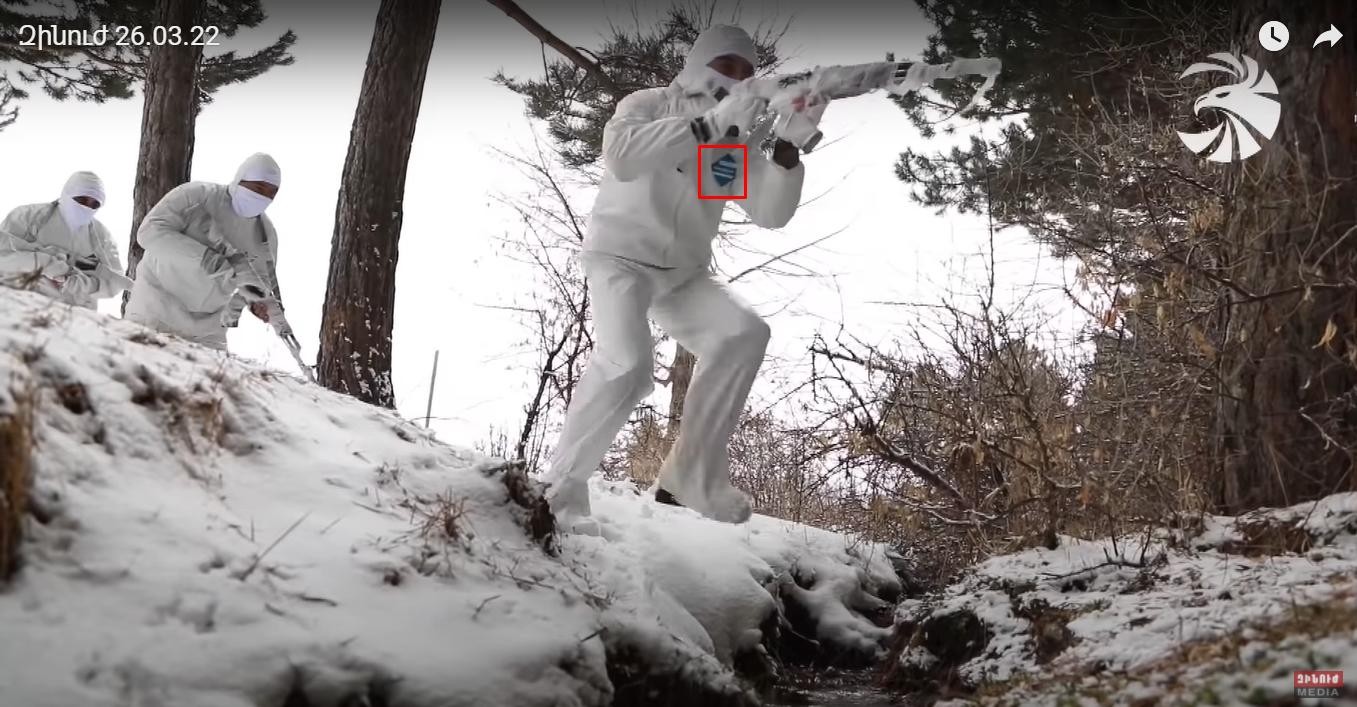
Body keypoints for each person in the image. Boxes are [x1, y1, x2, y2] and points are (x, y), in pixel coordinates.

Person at [541, 25, 827, 526]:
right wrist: (708, 124)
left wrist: (786, 149)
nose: (735, 77)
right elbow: (622, 157)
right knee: (628, 366)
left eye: (745, 70)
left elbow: (769, 212)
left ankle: (689, 474)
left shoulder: (733, 139)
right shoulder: (648, 104)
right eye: (725, 64)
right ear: (700, 63)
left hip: (683, 274)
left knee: (743, 334)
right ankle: (558, 490)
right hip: (620, 257)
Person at [124, 153, 288, 351]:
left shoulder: (265, 235)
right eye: (258, 188)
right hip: (154, 311)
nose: (263, 197)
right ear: (240, 179)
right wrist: (206, 258)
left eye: (271, 193)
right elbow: (148, 232)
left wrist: (257, 304)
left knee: (216, 372)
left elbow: (257, 282)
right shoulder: (197, 196)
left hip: (208, 331)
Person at [0, 171, 132, 309]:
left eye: (94, 204)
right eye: (82, 200)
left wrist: (87, 285)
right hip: (24, 305)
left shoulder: (101, 236)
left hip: (76, 315)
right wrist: (43, 264)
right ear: (67, 194)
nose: (87, 207)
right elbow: (4, 255)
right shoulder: (28, 216)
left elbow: (115, 281)